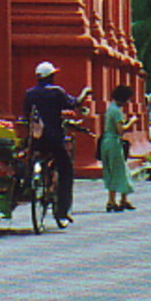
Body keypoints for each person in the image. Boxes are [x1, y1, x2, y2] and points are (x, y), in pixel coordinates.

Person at [23, 60, 91, 228]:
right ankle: (63, 211)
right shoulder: (56, 92)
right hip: (54, 138)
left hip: (36, 140)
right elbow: (74, 103)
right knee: (66, 170)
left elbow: (27, 114)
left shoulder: (29, 93)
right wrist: (85, 93)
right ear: (51, 76)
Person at [101, 83, 136, 213]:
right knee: (119, 170)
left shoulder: (110, 108)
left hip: (106, 142)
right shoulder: (117, 111)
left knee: (112, 170)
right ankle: (114, 200)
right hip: (114, 142)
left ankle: (118, 199)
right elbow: (121, 130)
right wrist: (131, 121)